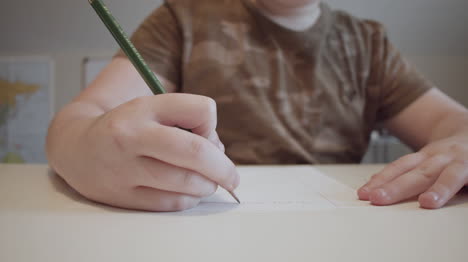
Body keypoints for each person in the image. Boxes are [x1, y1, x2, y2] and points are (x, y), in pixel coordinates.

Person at [46, 0, 468, 211]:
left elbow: (452, 122)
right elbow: (80, 117)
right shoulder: (182, 18)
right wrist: (84, 148)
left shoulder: (368, 45)